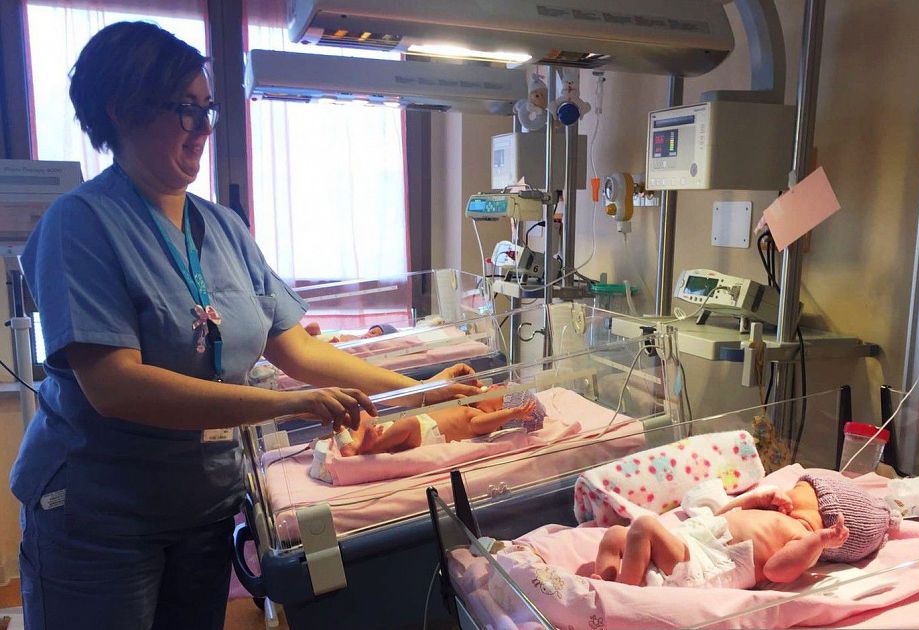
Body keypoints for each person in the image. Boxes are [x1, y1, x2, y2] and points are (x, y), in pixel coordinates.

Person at [11, 22, 481, 630]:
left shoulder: (224, 228)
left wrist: (420, 389)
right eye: (185, 109)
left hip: (202, 504)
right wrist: (286, 403)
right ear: (121, 112)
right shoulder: (79, 225)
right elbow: (116, 387)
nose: (204, 128)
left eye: (207, 109)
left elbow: (297, 349)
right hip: (100, 514)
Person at [590, 474, 899, 588]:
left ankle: (623, 596)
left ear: (821, 516)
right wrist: (752, 499)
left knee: (643, 526)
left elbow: (777, 571)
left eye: (803, 492)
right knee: (616, 534)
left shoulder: (802, 538)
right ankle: (605, 580)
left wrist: (818, 542)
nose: (790, 492)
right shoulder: (769, 511)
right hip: (689, 543)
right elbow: (719, 517)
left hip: (702, 566)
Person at [335, 386, 547, 455]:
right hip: (418, 422)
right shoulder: (469, 408)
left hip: (424, 433)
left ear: (500, 410)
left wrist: (513, 414)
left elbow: (480, 424)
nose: (493, 386)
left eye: (499, 390)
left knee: (407, 424)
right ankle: (354, 443)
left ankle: (369, 449)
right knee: (366, 416)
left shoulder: (479, 421)